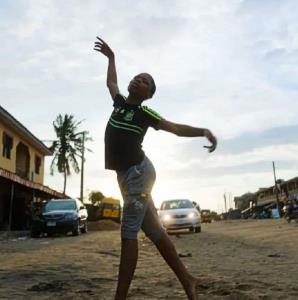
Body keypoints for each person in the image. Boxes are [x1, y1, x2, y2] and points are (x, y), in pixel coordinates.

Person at [94, 37, 217, 300]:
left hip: (139, 174)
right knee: (155, 233)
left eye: (146, 81)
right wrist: (111, 57)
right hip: (125, 177)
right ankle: (188, 281)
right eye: (138, 77)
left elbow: (175, 129)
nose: (139, 80)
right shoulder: (119, 103)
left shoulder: (145, 113)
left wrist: (202, 131)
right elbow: (111, 83)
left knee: (129, 235)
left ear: (149, 94)